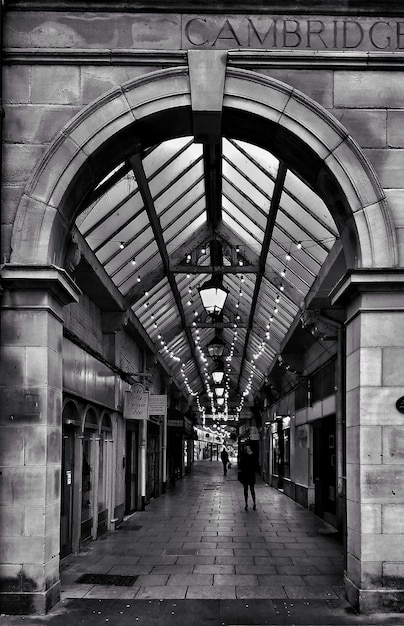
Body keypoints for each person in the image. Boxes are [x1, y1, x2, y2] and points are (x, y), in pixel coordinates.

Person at [238, 444, 257, 510]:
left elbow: (240, 465)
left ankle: (253, 503)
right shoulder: (250, 456)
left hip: (248, 475)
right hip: (247, 475)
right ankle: (247, 503)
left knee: (250, 490)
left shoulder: (247, 456)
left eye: (248, 448)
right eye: (247, 448)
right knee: (247, 490)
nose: (248, 449)